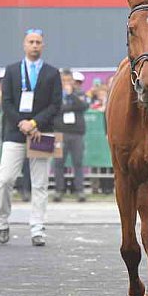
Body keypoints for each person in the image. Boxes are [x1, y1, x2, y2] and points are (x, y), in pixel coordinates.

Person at [0, 28, 62, 246]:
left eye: (38, 42)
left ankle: (37, 228)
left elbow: (55, 104)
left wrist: (34, 123)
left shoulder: (52, 73)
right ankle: (2, 222)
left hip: (41, 132)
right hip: (15, 132)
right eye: (31, 41)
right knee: (5, 179)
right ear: (24, 45)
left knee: (40, 183)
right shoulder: (12, 71)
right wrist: (22, 123)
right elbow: (6, 102)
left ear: (43, 46)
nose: (34, 45)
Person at [53, 69, 89, 202]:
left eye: (69, 81)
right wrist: (71, 107)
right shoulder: (55, 94)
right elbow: (55, 109)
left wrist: (71, 96)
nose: (66, 83)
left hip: (76, 134)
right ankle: (58, 191)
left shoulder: (79, 93)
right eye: (64, 81)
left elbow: (84, 106)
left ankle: (79, 191)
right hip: (60, 132)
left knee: (78, 163)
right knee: (58, 163)